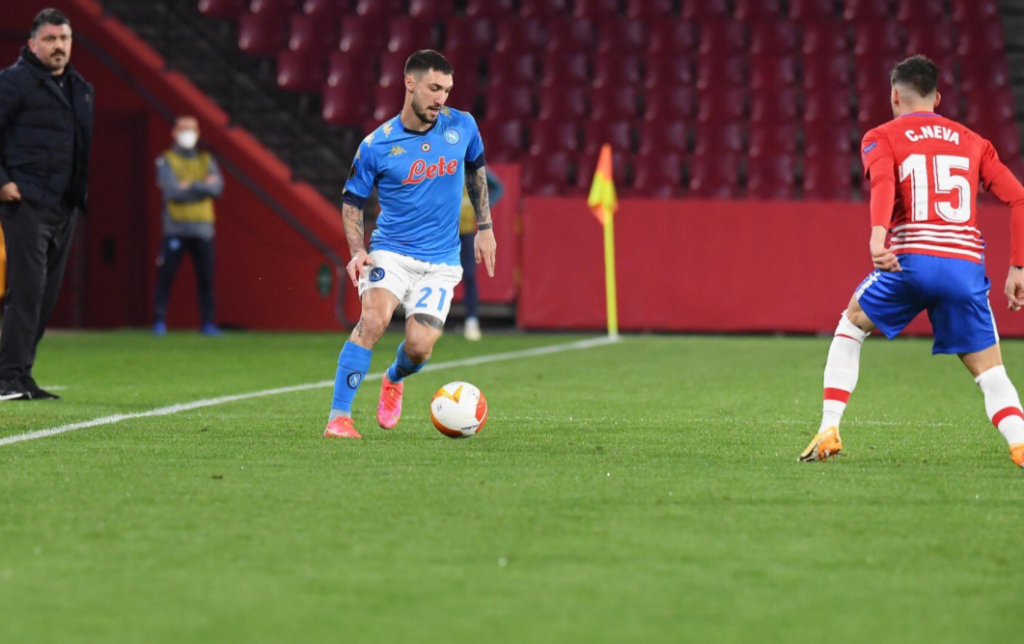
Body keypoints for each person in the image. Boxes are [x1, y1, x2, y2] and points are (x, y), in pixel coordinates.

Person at [800, 55, 1024, 468]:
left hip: (910, 263)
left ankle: (829, 427)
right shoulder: (974, 141)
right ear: (937, 98)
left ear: (894, 95)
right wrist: (1018, 266)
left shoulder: (881, 136)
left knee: (852, 323)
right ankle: (1020, 443)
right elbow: (1019, 198)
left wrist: (877, 235)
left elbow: (884, 182)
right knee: (991, 371)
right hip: (963, 268)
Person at [324, 49, 496, 439]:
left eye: (447, 90)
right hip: (392, 251)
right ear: (409, 84)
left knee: (419, 348)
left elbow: (476, 170)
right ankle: (339, 417)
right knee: (373, 320)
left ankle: (394, 377)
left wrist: (485, 226)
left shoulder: (463, 126)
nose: (441, 98)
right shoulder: (377, 145)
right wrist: (357, 250)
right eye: (434, 88)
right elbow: (352, 200)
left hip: (441, 261)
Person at [0, 9, 93, 401]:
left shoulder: (80, 87)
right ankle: (7, 376)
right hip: (26, 202)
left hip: (63, 205)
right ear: (33, 43)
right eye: (51, 39)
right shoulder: (12, 82)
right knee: (26, 291)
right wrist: (2, 182)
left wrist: (76, 194)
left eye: (64, 39)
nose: (59, 46)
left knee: (46, 294)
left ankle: (21, 374)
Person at [152, 115, 224, 336]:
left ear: (198, 133)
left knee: (206, 278)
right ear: (174, 132)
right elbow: (172, 192)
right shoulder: (166, 160)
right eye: (184, 129)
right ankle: (159, 321)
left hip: (203, 229)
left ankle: (208, 323)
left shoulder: (206, 160)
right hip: (176, 228)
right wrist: (202, 187)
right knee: (166, 275)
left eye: (191, 129)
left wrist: (189, 186)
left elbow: (217, 189)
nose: (188, 134)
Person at [459, 168, 504, 341]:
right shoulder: (442, 165)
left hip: (467, 231)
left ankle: (472, 320)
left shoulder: (474, 168)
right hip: (443, 231)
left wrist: (481, 208)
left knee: (469, 275)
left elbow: (498, 188)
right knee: (438, 274)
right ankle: (434, 321)